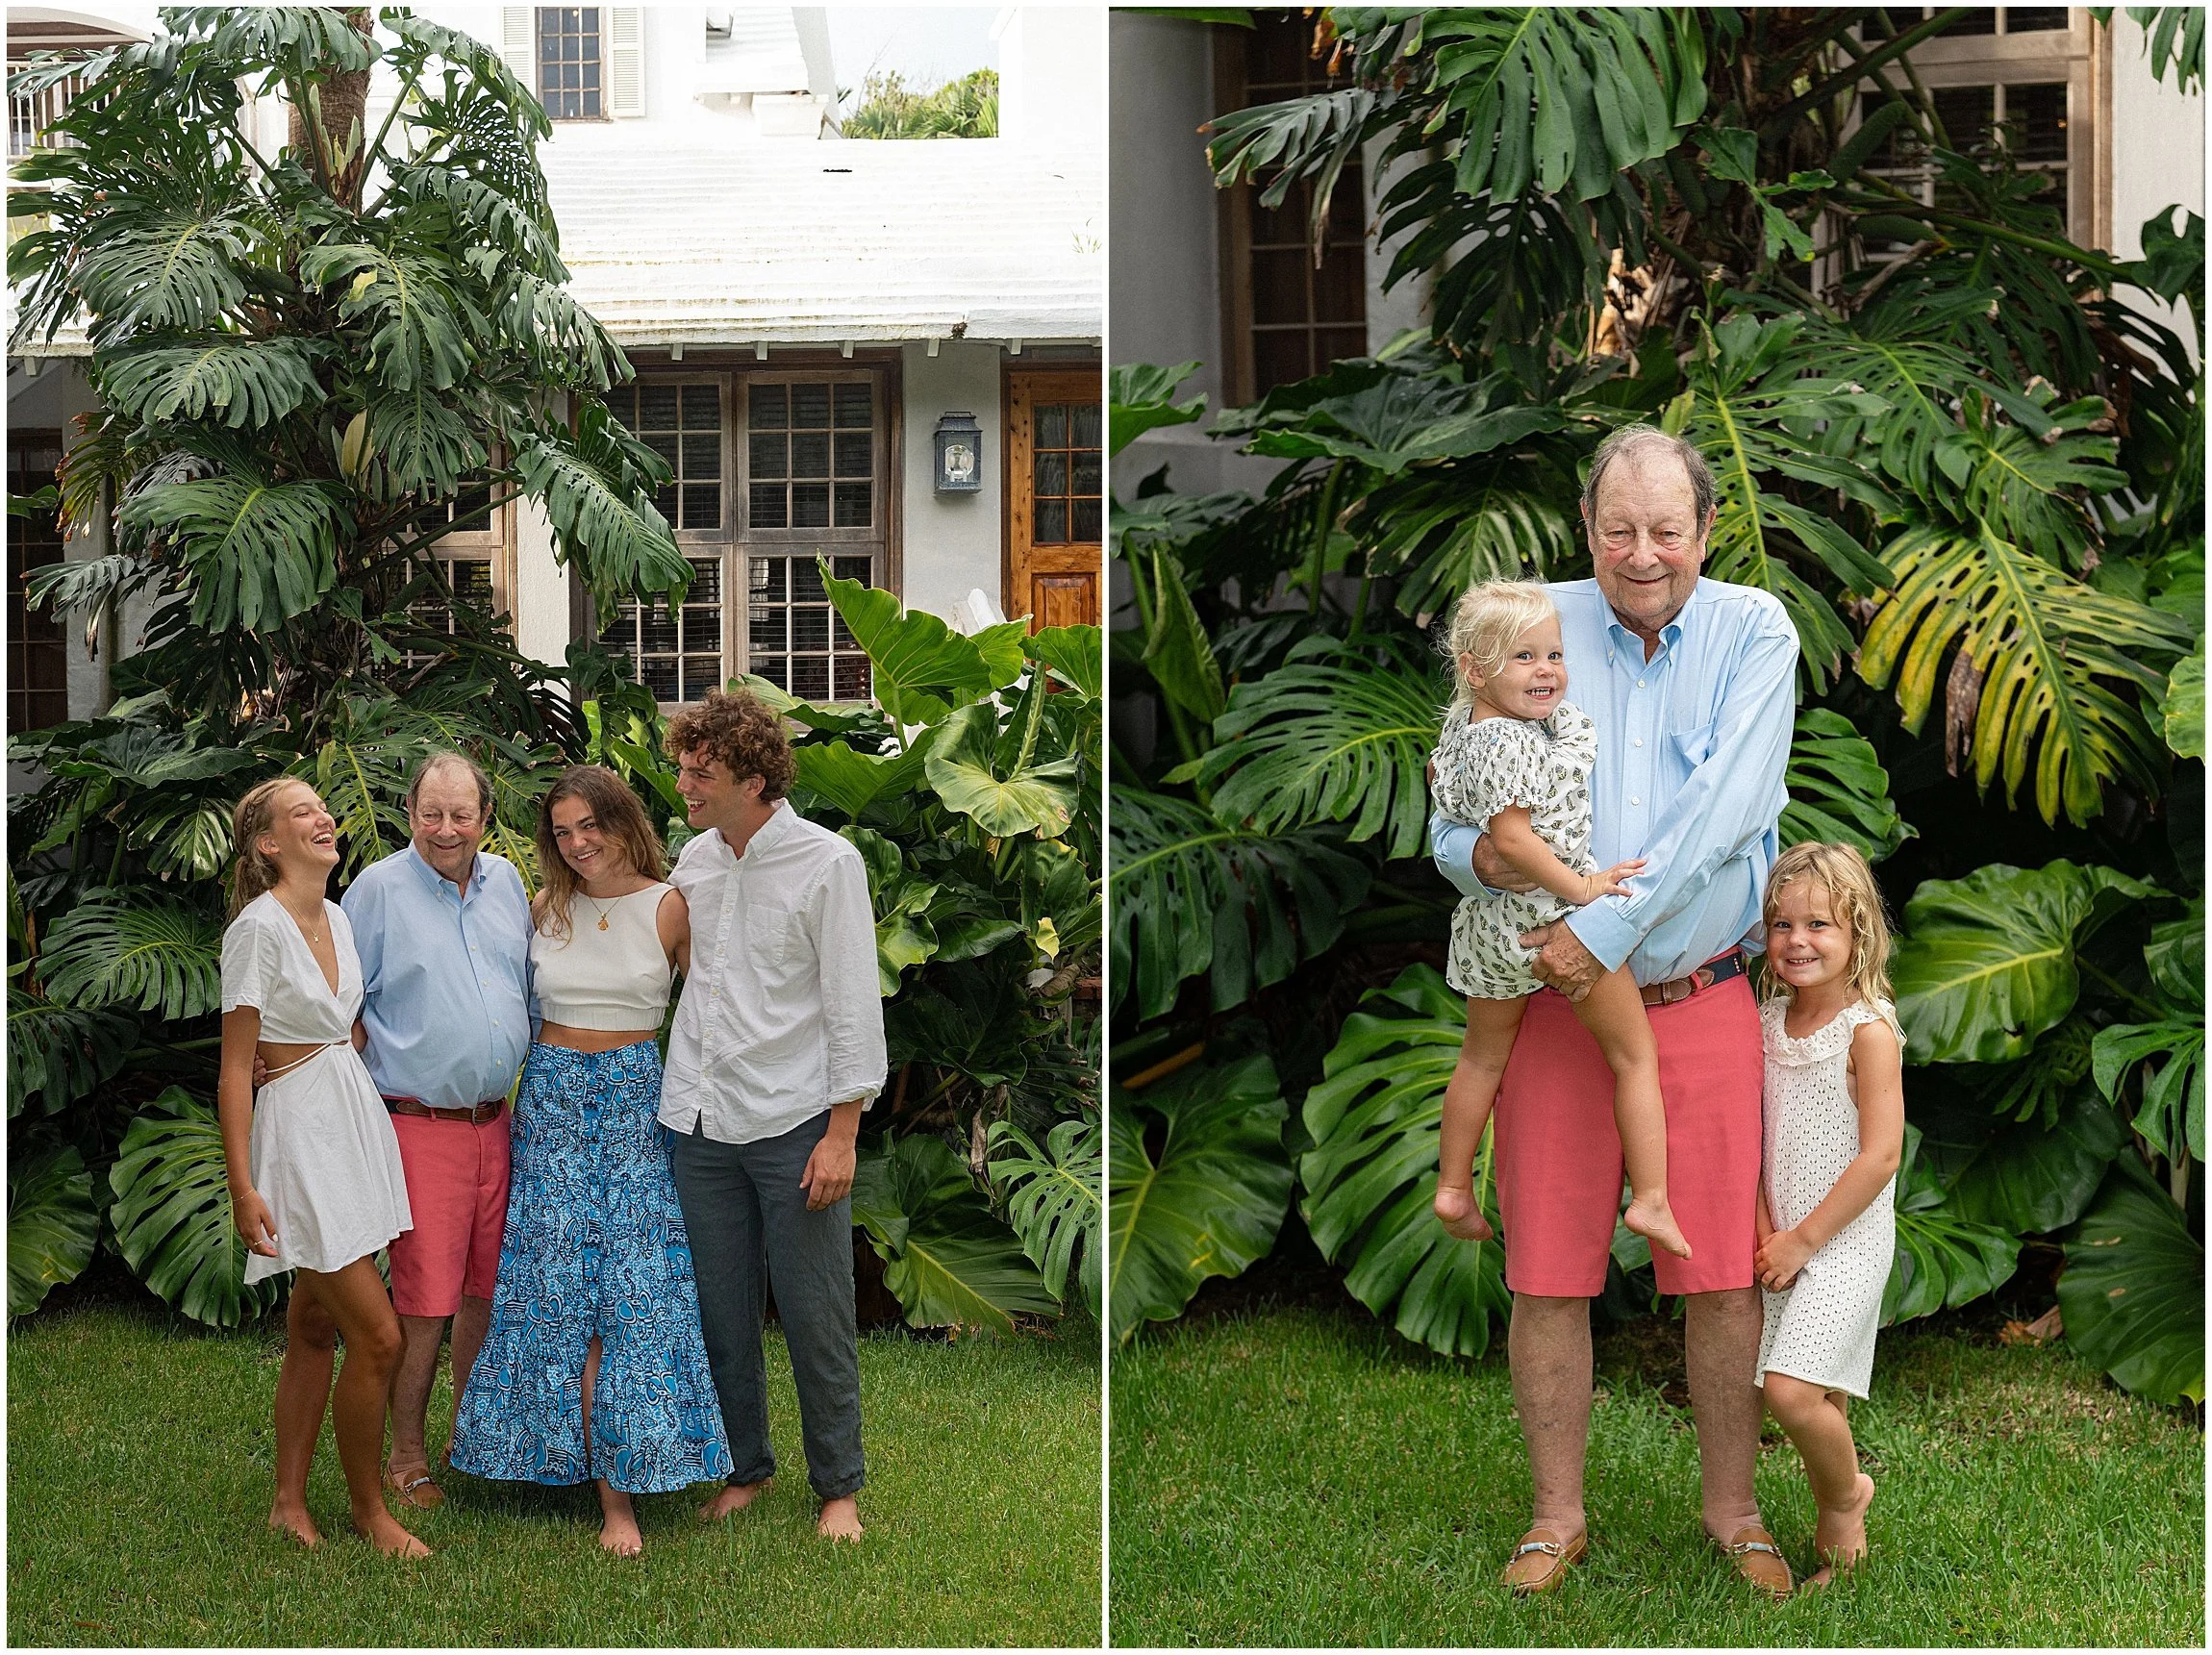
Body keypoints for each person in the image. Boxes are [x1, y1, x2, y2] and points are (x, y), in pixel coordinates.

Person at [1429, 424, 1800, 1596]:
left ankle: (1734, 1509)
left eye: (1665, 530)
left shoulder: (1752, 631)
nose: (1641, 554)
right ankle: (1553, 1519)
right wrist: (1477, 864)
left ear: (1704, 529)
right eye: (1617, 530)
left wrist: (1597, 932)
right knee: (1544, 1270)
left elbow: (1726, 813)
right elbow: (1449, 805)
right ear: (1585, 527)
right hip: (1545, 1007)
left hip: (1691, 996)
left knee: (1721, 1278)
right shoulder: (1529, 624)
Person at [451, 765, 732, 1554]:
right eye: (562, 831)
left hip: (636, 1106)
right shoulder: (546, 908)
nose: (577, 844)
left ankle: (623, 1490)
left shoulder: (670, 905)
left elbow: (716, 1013)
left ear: (620, 819)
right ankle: (542, 1458)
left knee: (630, 1294)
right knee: (554, 1290)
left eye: (589, 826)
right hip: (550, 1109)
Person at [659, 688, 887, 1542]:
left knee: (815, 1310)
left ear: (755, 778)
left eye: (700, 772)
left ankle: (838, 1488)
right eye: (683, 767)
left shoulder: (830, 863)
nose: (684, 783)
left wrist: (842, 1134)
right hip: (700, 1121)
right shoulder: (696, 858)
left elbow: (853, 1007)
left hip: (794, 1121)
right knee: (719, 1309)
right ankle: (746, 1468)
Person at [1429, 578, 1690, 1263]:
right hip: (1548, 917)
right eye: (1524, 657)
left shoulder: (1465, 729)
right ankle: (1653, 1198)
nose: (1547, 669)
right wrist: (1585, 887)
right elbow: (1512, 840)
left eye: (1553, 654)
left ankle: (1455, 1186)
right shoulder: (1509, 742)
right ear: (1473, 667)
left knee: (1482, 1057)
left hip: (1491, 929)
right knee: (1634, 1055)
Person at [217, 777, 426, 1558]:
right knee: (379, 1337)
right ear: (268, 843)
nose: (323, 815)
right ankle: (371, 1510)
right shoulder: (257, 930)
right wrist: (244, 1186)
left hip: (351, 1120)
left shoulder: (336, 915)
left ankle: (287, 1501)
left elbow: (337, 1025)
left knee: (312, 1325)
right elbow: (237, 1068)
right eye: (301, 810)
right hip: (301, 1140)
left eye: (321, 806)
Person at [339, 751, 533, 1510]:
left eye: (461, 814)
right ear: (408, 813)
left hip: (499, 1123)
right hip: (419, 1125)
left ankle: (472, 1436)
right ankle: (407, 1457)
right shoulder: (378, 891)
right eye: (430, 813)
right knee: (425, 1304)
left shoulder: (509, 883)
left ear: (486, 816)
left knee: (486, 1291)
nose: (445, 829)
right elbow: (339, 1003)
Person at [1752, 841, 1903, 1589]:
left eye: (1819, 924)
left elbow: (1880, 1156)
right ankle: (1841, 1560)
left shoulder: (1867, 1030)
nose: (1798, 940)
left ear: (1859, 935)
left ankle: (1846, 1498)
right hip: (1783, 1237)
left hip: (1844, 1240)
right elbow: (1752, 1140)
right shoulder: (1765, 1022)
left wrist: (1805, 1237)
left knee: (1790, 1390)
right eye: (1782, 924)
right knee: (1825, 1391)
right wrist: (1765, 1232)